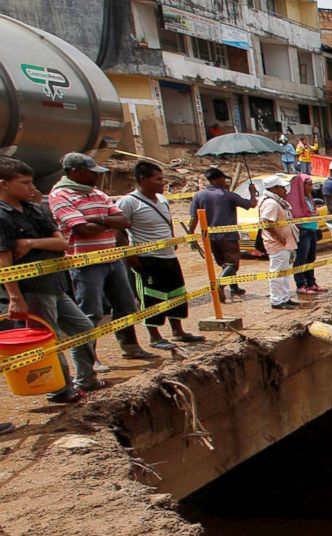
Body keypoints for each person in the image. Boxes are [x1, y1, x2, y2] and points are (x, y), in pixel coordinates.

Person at [0, 156, 99, 401]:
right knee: (50, 340)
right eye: (24, 183)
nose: (31, 188)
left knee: (83, 328)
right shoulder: (2, 218)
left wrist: (31, 242)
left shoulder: (33, 209)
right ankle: (62, 390)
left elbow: (62, 242)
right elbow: (4, 261)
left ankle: (85, 378)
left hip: (55, 284)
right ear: (4, 184)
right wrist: (15, 297)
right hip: (32, 290)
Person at [49, 153, 156, 362]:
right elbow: (83, 229)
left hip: (113, 259)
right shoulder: (60, 196)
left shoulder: (97, 193)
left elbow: (124, 221)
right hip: (85, 262)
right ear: (75, 172)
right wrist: (107, 221)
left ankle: (130, 347)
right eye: (91, 173)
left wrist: (95, 218)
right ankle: (90, 360)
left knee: (125, 306)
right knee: (91, 313)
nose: (96, 177)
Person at [115, 160, 204, 350]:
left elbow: (168, 221)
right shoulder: (129, 202)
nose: (162, 183)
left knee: (177, 293)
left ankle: (178, 331)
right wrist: (129, 254)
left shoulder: (162, 200)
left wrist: (171, 239)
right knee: (151, 297)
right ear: (142, 180)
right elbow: (119, 231)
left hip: (168, 256)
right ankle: (155, 337)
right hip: (147, 259)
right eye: (158, 179)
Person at [186, 168, 257, 301]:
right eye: (223, 179)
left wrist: (191, 236)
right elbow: (252, 205)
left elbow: (193, 218)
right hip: (228, 236)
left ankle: (234, 288)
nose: (225, 181)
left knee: (224, 263)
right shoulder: (227, 195)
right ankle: (220, 285)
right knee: (232, 263)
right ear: (218, 179)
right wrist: (252, 193)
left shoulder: (199, 195)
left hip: (211, 237)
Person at [257, 176, 299, 309]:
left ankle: (285, 297)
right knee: (277, 273)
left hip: (284, 243)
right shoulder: (271, 203)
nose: (285, 190)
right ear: (274, 189)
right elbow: (266, 223)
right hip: (277, 244)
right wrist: (279, 238)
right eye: (282, 188)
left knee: (284, 273)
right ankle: (276, 300)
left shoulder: (277, 202)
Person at [285, 169, 323, 296]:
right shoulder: (294, 199)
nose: (311, 187)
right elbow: (296, 215)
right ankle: (300, 284)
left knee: (311, 258)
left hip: (312, 229)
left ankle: (311, 282)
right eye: (309, 184)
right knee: (301, 258)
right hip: (302, 230)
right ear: (301, 185)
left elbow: (312, 212)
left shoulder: (309, 198)